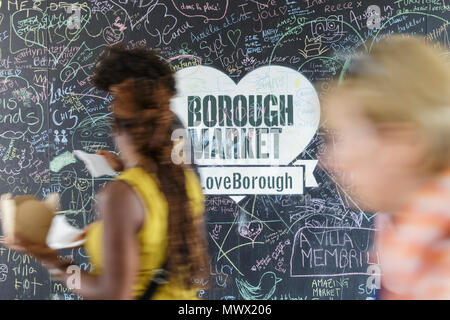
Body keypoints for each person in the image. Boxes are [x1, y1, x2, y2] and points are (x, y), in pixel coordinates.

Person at [6, 45, 210, 300]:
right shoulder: (185, 180)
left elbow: (111, 293)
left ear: (116, 124)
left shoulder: (121, 195)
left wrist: (52, 261)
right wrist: (125, 169)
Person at [321, 35, 450, 299]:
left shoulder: (439, 257)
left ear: (403, 142)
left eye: (345, 137)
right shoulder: (408, 231)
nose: (330, 160)